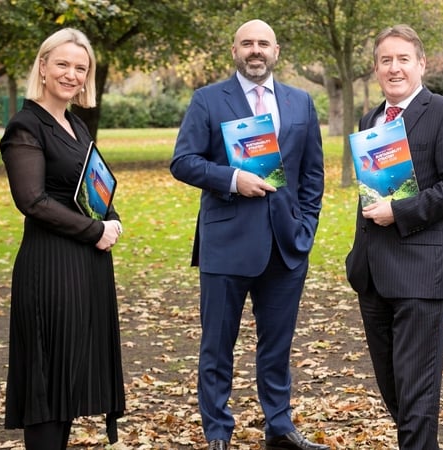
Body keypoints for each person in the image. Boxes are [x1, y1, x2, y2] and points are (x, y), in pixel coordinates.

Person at [170, 19, 327, 450]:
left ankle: (279, 426)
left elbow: (312, 174)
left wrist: (306, 227)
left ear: (276, 51)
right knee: (216, 347)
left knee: (277, 347)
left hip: (285, 246)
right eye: (247, 44)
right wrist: (231, 178)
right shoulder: (207, 100)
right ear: (234, 50)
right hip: (226, 243)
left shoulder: (301, 102)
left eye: (263, 43)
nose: (255, 50)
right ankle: (218, 431)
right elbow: (183, 161)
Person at [344, 24, 443, 450]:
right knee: (393, 388)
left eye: (403, 59)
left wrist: (399, 211)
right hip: (372, 271)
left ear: (421, 64)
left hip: (423, 271)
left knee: (417, 391)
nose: (394, 67)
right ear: (375, 68)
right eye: (386, 60)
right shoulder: (370, 119)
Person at [0, 28, 125, 449]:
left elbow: (93, 185)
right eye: (63, 64)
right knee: (48, 379)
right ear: (43, 66)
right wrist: (96, 230)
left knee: (69, 377)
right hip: (50, 267)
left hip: (85, 266)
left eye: (80, 68)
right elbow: (32, 200)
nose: (71, 74)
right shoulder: (25, 124)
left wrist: (112, 217)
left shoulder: (75, 123)